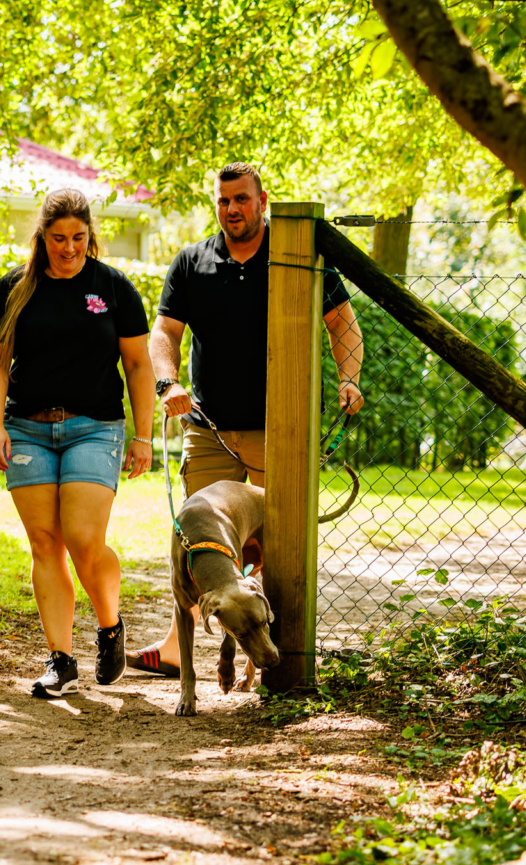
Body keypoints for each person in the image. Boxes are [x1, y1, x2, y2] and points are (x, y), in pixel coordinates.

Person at [128, 162, 367, 678]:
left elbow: (341, 322)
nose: (231, 209)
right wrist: (168, 384)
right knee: (199, 547)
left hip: (278, 434)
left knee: (276, 550)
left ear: (263, 200)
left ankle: (278, 659)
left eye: (241, 199)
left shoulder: (297, 256)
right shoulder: (191, 262)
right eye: (223, 201)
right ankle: (177, 647)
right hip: (208, 429)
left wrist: (349, 377)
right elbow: (163, 333)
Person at [0, 189, 156, 698]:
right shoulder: (16, 287)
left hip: (95, 425)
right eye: (58, 238)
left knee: (82, 538)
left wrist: (142, 436)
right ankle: (61, 660)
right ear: (42, 237)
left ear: (89, 236)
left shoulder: (112, 287)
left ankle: (109, 625)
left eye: (78, 238)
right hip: (28, 429)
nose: (69, 248)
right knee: (44, 543)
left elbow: (139, 365)